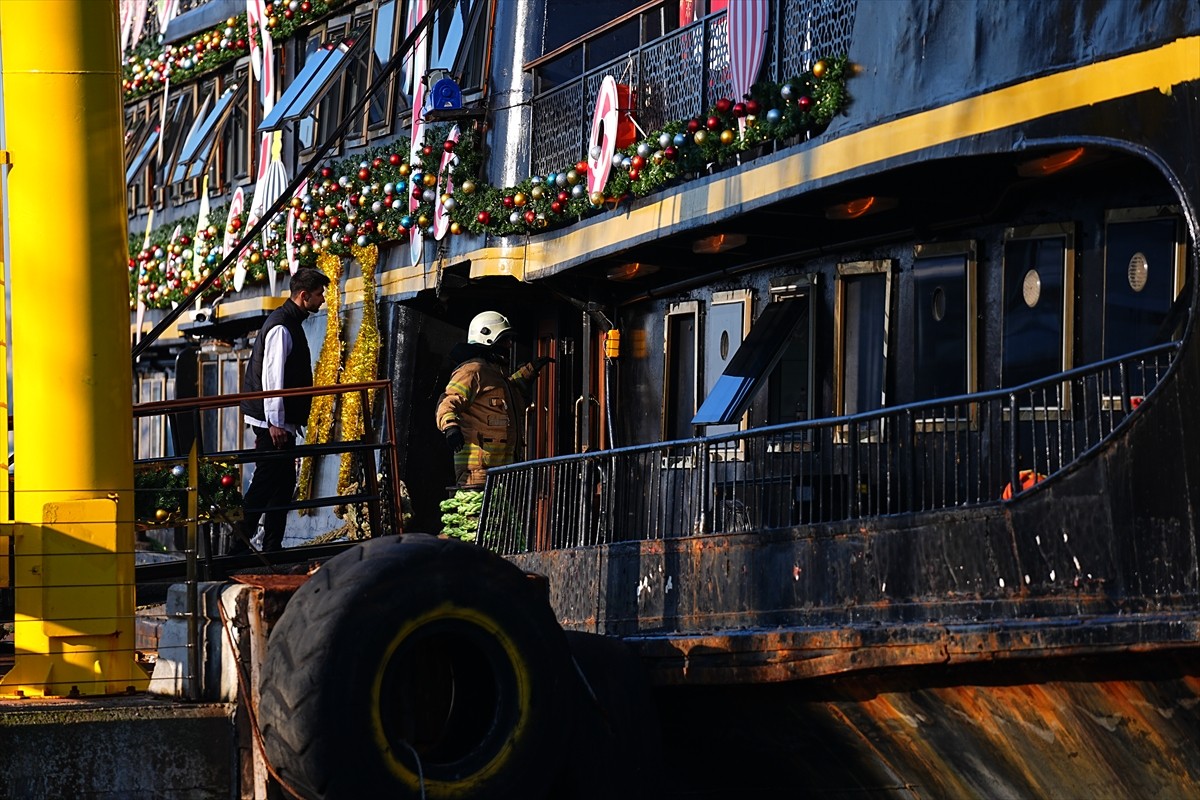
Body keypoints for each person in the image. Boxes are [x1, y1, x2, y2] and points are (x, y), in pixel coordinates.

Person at [233, 267, 330, 553]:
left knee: (282, 484)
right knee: (264, 485)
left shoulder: (288, 321)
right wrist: (275, 423)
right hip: (272, 423)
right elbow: (272, 378)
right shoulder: (281, 326)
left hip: (277, 421)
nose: (322, 299)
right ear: (304, 296)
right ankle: (238, 548)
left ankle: (272, 545)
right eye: (318, 294)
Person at [436, 311, 553, 489]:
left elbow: (509, 395)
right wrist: (450, 427)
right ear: (488, 340)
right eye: (504, 340)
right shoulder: (472, 371)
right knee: (474, 515)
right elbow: (449, 400)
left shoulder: (495, 374)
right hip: (477, 472)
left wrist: (529, 372)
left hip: (501, 471)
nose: (509, 345)